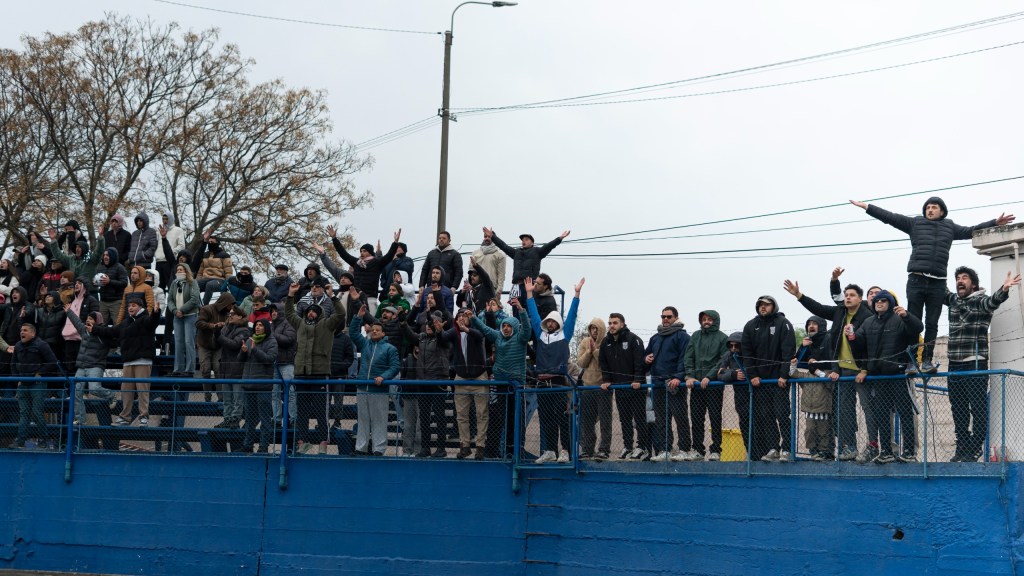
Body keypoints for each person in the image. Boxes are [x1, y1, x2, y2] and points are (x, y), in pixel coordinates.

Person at [850, 197, 1014, 373]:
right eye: (927, 207)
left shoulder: (949, 227)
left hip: (937, 283)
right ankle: (912, 361)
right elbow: (890, 217)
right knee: (913, 321)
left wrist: (994, 222)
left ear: (942, 211)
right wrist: (867, 207)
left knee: (932, 323)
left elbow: (970, 230)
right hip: (916, 280)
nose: (930, 210)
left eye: (934, 207)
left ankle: (927, 360)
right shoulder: (915, 223)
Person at [783, 277, 874, 462]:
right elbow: (819, 309)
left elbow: (870, 346)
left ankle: (873, 446)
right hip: (841, 370)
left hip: (862, 370)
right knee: (844, 412)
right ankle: (849, 447)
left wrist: (865, 369)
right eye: (846, 295)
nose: (848, 298)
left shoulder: (867, 316)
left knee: (869, 409)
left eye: (852, 295)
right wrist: (799, 295)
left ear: (860, 298)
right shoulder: (840, 312)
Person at [944, 267, 1021, 461]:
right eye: (958, 278)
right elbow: (939, 290)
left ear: (974, 284)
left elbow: (992, 301)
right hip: (954, 363)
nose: (960, 281)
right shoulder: (953, 301)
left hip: (974, 363)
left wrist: (1004, 289)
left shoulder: (980, 300)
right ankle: (962, 447)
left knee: (977, 407)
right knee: (958, 408)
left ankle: (975, 447)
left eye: (964, 278)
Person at [849, 290, 923, 463]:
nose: (879, 303)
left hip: (898, 374)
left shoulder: (899, 318)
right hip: (879, 376)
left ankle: (910, 452)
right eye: (877, 301)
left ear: (890, 303)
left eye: (883, 300)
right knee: (882, 415)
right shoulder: (868, 322)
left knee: (905, 414)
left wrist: (907, 316)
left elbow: (918, 328)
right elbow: (859, 343)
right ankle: (887, 452)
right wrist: (851, 336)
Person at [526, 276, 583, 464]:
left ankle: (565, 451)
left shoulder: (564, 335)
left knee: (561, 419)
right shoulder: (541, 335)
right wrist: (528, 294)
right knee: (546, 419)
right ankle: (550, 450)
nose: (550, 324)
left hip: (558, 382)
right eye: (548, 322)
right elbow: (534, 316)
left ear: (558, 323)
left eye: (553, 321)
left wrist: (576, 294)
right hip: (542, 383)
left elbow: (573, 316)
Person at [285, 282, 346, 455]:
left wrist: (333, 296)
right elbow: (289, 313)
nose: (311, 313)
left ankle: (323, 442)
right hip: (301, 373)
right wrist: (290, 295)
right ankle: (303, 442)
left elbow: (341, 313)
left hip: (320, 373)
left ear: (320, 314)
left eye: (314, 311)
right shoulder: (300, 324)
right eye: (309, 310)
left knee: (321, 411)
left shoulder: (327, 324)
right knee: (302, 411)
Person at [472, 295, 531, 460]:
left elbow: (527, 329)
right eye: (503, 326)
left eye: (508, 326)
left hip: (516, 386)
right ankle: (496, 451)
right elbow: (484, 329)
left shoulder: (520, 338)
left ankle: (515, 450)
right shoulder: (498, 337)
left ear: (513, 327)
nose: (505, 328)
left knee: (515, 419)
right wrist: (474, 318)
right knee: (498, 418)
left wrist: (521, 310)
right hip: (499, 384)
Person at [93, 294, 162, 427]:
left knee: (143, 391)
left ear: (140, 307)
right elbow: (111, 331)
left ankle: (143, 417)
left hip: (143, 361)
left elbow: (153, 321)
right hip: (128, 361)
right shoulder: (125, 322)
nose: (130, 307)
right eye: (129, 305)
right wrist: (94, 329)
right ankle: (125, 417)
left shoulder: (145, 319)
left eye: (133, 305)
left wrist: (156, 312)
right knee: (126, 391)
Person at [741, 295, 795, 462]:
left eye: (766, 304)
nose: (763, 307)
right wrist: (753, 375)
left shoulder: (783, 323)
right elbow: (747, 354)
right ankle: (773, 448)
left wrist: (783, 375)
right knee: (766, 415)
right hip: (760, 382)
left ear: (774, 306)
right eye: (760, 305)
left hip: (779, 381)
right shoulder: (751, 325)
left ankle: (787, 449)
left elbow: (788, 351)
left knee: (782, 414)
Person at [349, 306, 401, 456]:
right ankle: (361, 448)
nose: (375, 331)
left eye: (378, 330)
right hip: (362, 388)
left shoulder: (390, 349)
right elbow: (353, 333)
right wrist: (358, 317)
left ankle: (378, 449)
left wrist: (383, 377)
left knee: (379, 420)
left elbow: (395, 367)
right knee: (363, 420)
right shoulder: (365, 344)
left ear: (384, 333)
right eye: (373, 329)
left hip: (379, 390)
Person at [443, 307, 490, 459]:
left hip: (478, 377)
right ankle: (465, 445)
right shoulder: (454, 332)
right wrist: (438, 330)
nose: (462, 318)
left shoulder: (475, 330)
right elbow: (442, 338)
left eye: (465, 315)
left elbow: (480, 336)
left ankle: (481, 446)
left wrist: (466, 329)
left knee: (481, 414)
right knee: (461, 415)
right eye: (459, 316)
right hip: (461, 377)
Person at [600, 312, 648, 460]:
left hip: (636, 388)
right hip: (620, 388)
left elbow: (639, 363)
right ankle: (628, 446)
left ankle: (642, 447)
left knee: (639, 418)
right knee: (624, 419)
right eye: (610, 323)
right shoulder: (606, 342)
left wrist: (637, 380)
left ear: (622, 324)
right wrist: (607, 380)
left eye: (615, 323)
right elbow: (603, 363)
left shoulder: (634, 339)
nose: (611, 326)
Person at [646, 306, 692, 462]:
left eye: (669, 316)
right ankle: (665, 449)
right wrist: (646, 359)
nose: (665, 319)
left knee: (680, 418)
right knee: (661, 419)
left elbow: (684, 359)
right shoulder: (655, 338)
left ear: (676, 318)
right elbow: (646, 357)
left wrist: (679, 377)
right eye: (663, 316)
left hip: (675, 385)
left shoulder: (682, 336)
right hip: (657, 384)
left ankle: (685, 449)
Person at [403, 310, 451, 457]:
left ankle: (441, 448)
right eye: (427, 324)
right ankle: (425, 448)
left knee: (439, 416)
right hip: (423, 382)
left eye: (432, 324)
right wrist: (402, 321)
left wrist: (436, 326)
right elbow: (410, 335)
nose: (428, 326)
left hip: (438, 382)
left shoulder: (442, 338)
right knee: (424, 417)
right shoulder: (422, 337)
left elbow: (441, 336)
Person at [683, 310, 729, 462]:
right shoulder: (695, 336)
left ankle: (716, 450)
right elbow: (688, 357)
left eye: (709, 319)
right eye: (704, 319)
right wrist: (690, 376)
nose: (706, 321)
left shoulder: (722, 338)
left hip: (714, 386)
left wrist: (709, 376)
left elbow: (723, 360)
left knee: (715, 418)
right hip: (696, 386)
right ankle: (698, 450)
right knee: (696, 418)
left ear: (715, 320)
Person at [326, 226, 402, 315]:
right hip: (356, 298)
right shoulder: (356, 263)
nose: (362, 253)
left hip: (370, 298)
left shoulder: (377, 262)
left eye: (364, 251)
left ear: (370, 252)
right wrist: (334, 238)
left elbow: (389, 256)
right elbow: (343, 254)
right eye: (361, 251)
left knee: (370, 324)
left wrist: (395, 242)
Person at [10, 323, 62, 449]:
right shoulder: (18, 346)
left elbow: (53, 362)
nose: (22, 332)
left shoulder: (41, 344)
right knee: (24, 413)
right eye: (21, 330)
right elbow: (13, 364)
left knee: (37, 412)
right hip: (23, 384)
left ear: (33, 333)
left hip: (37, 383)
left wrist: (40, 372)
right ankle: (20, 442)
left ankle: (43, 441)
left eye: (25, 330)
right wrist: (18, 378)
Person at [790, 316, 834, 461]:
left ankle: (826, 452)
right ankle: (813, 451)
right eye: (809, 324)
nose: (811, 326)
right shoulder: (807, 345)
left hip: (824, 407)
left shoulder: (829, 339)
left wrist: (818, 371)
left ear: (821, 326)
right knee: (809, 431)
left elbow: (831, 381)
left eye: (815, 324)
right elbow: (794, 370)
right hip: (809, 407)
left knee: (824, 430)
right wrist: (802, 348)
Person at [483, 227, 569, 300]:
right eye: (522, 240)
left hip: (530, 286)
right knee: (516, 311)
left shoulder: (537, 252)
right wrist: (493, 236)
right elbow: (503, 246)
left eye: (526, 239)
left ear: (532, 242)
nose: (524, 241)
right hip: (517, 286)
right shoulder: (516, 252)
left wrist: (559, 238)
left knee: (529, 309)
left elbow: (549, 246)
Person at [65, 308, 118, 426]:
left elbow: (115, 340)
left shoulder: (104, 333)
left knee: (94, 388)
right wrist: (69, 311)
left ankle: (111, 395)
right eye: (88, 318)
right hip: (82, 366)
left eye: (91, 318)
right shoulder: (84, 331)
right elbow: (76, 321)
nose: (88, 320)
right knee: (76, 392)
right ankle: (80, 420)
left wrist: (97, 331)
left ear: (97, 321)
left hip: (96, 366)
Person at [239, 318, 279, 454]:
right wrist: (243, 351)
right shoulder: (250, 340)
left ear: (266, 328)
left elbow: (269, 359)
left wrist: (255, 350)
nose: (257, 327)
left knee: (264, 420)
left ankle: (263, 447)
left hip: (263, 387)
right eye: (256, 325)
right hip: (248, 386)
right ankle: (247, 445)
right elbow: (240, 360)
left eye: (261, 325)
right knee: (249, 420)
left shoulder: (272, 342)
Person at [577, 317, 610, 460]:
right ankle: (587, 449)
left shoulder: (607, 342)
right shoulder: (585, 342)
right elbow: (581, 363)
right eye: (592, 328)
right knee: (587, 421)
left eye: (597, 328)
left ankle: (604, 449)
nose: (594, 331)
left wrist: (595, 350)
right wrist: (589, 351)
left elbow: (605, 363)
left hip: (603, 388)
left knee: (605, 420)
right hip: (587, 387)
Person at [214, 306, 250, 430]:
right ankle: (227, 419)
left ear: (240, 316)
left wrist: (218, 335)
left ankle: (234, 420)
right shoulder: (227, 327)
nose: (230, 316)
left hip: (237, 369)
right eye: (229, 314)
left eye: (233, 314)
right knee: (227, 399)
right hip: (225, 368)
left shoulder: (244, 330)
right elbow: (218, 341)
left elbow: (234, 344)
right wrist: (217, 332)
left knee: (237, 399)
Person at [196, 292, 236, 401]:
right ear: (225, 303)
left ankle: (221, 398)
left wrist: (226, 325)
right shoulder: (207, 309)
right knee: (206, 369)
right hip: (204, 345)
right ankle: (207, 397)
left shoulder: (229, 314)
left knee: (219, 370)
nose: (231, 307)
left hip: (218, 346)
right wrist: (213, 325)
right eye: (230, 304)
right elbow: (199, 323)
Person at [718, 332, 751, 458]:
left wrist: (743, 373)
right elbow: (720, 374)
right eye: (730, 346)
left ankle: (761, 453)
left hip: (756, 394)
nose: (733, 349)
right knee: (744, 423)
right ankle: (750, 453)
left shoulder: (750, 354)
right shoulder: (728, 355)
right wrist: (733, 375)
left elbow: (756, 370)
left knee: (759, 423)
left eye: (736, 346)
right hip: (740, 396)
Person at [166, 263, 200, 376]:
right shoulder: (174, 283)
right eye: (178, 270)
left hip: (190, 316)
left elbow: (195, 299)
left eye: (181, 269)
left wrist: (183, 310)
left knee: (189, 342)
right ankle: (178, 369)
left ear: (187, 271)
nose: (179, 271)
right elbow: (169, 299)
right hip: (177, 317)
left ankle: (190, 369)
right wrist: (175, 311)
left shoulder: (193, 282)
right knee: (178, 342)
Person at [271, 302, 298, 426]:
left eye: (275, 310)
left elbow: (289, 340)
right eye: (272, 311)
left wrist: (272, 335)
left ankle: (293, 419)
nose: (273, 313)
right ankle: (277, 419)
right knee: (274, 393)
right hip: (274, 363)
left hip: (287, 363)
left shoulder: (289, 323)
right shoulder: (271, 325)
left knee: (290, 392)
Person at [195, 235, 234, 305]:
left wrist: (228, 285)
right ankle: (197, 305)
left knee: (210, 285)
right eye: (209, 242)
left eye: (212, 242)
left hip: (219, 280)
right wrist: (197, 281)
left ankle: (204, 305)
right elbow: (200, 272)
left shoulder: (225, 255)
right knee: (193, 285)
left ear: (217, 243)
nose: (210, 243)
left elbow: (228, 272)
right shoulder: (205, 255)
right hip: (205, 278)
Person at [94, 247, 128, 326]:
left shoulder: (120, 267)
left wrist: (110, 282)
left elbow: (124, 283)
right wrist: (95, 282)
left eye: (108, 255)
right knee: (101, 324)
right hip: (103, 301)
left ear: (113, 256)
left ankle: (117, 338)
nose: (105, 257)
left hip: (116, 301)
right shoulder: (100, 267)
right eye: (104, 255)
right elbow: (95, 279)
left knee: (118, 324)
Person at [155, 211, 187, 291]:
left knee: (171, 286)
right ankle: (160, 304)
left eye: (167, 219)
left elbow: (182, 245)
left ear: (171, 219)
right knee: (159, 287)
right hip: (158, 261)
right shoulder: (159, 231)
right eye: (163, 219)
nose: (165, 220)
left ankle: (171, 303)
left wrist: (172, 252)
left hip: (170, 261)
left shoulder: (178, 230)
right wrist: (156, 254)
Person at [471, 234, 507, 301]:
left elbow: (501, 275)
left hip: (491, 288)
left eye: (489, 237)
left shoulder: (500, 254)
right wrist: (470, 286)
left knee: (489, 310)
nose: (487, 238)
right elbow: (471, 271)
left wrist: (499, 291)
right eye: (485, 236)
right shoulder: (475, 253)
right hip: (476, 287)